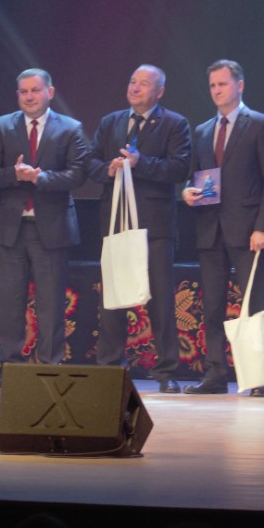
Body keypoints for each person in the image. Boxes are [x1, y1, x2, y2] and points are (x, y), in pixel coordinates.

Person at [85, 65, 191, 393]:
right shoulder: (111, 122)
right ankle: (110, 367)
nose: (135, 87)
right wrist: (109, 169)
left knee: (160, 301)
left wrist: (139, 163)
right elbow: (89, 162)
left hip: (154, 227)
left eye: (144, 84)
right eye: (133, 81)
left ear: (159, 92)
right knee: (113, 298)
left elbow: (179, 168)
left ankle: (166, 371)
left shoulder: (174, 123)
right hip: (116, 223)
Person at [182, 60, 264, 397]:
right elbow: (195, 175)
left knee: (253, 306)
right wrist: (187, 192)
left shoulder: (260, 125)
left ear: (239, 85)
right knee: (212, 306)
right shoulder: (202, 130)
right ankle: (215, 374)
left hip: (247, 231)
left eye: (222, 84)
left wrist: (263, 227)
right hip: (210, 230)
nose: (216, 91)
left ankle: (258, 377)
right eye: (212, 85)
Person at [0, 69, 87, 389]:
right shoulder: (2, 126)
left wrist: (40, 177)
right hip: (9, 228)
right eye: (23, 91)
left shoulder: (70, 128)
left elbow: (78, 175)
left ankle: (50, 366)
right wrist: (14, 175)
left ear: (49, 92)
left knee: (50, 303)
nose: (29, 96)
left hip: (51, 229)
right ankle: (10, 368)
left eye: (35, 90)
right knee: (9, 301)